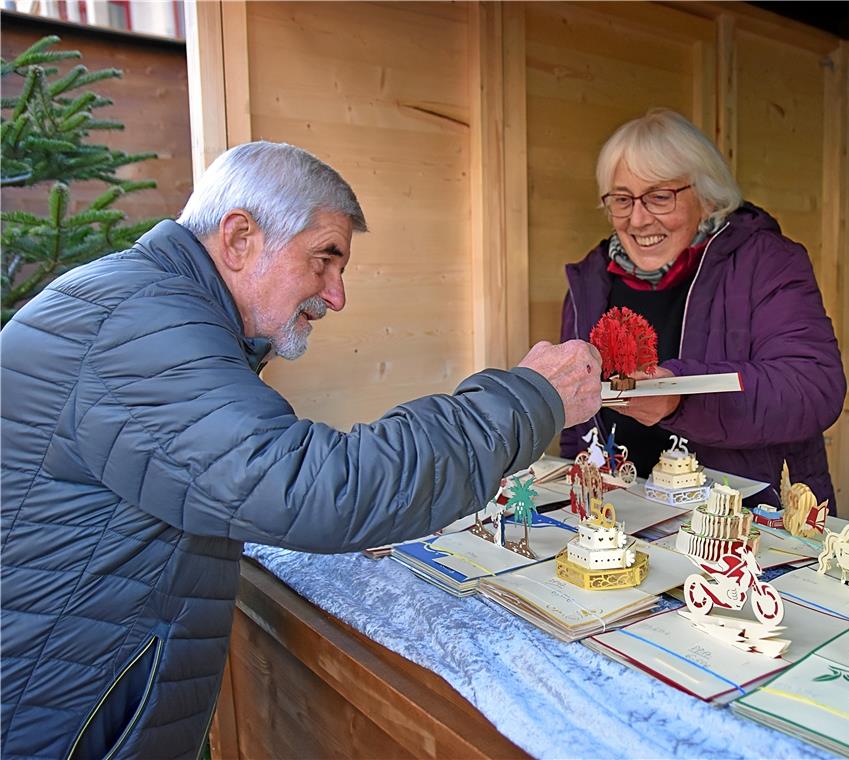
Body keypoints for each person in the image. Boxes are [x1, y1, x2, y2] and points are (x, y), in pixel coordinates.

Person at [0, 141, 601, 759]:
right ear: (239, 238)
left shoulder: (144, 303)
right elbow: (318, 488)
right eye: (324, 261)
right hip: (59, 720)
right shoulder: (141, 323)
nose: (335, 296)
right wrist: (528, 399)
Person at [560, 108, 845, 505]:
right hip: (618, 523)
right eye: (622, 200)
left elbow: (813, 389)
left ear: (708, 197)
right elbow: (578, 419)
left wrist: (680, 397)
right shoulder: (590, 280)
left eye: (659, 196)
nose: (638, 219)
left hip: (743, 526)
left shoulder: (766, 261)